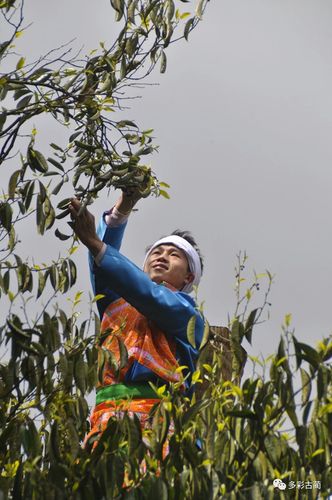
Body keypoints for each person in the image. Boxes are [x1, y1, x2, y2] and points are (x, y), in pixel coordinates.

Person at [69, 190, 205, 444]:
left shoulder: (189, 317)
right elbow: (105, 266)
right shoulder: (118, 304)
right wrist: (122, 209)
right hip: (105, 424)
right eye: (156, 252)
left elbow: (150, 295)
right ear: (142, 268)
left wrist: (95, 243)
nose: (162, 256)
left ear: (188, 277)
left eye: (174, 255)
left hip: (158, 427)